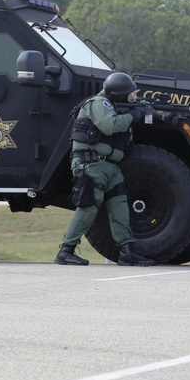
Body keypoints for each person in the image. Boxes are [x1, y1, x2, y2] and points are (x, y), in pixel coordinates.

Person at [55, 72, 162, 267]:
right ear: (119, 94)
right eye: (130, 94)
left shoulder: (112, 106)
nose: (134, 97)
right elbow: (110, 126)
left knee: (120, 207)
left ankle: (127, 252)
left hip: (110, 167)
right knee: (88, 206)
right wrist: (133, 115)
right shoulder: (99, 103)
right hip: (92, 165)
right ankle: (66, 251)